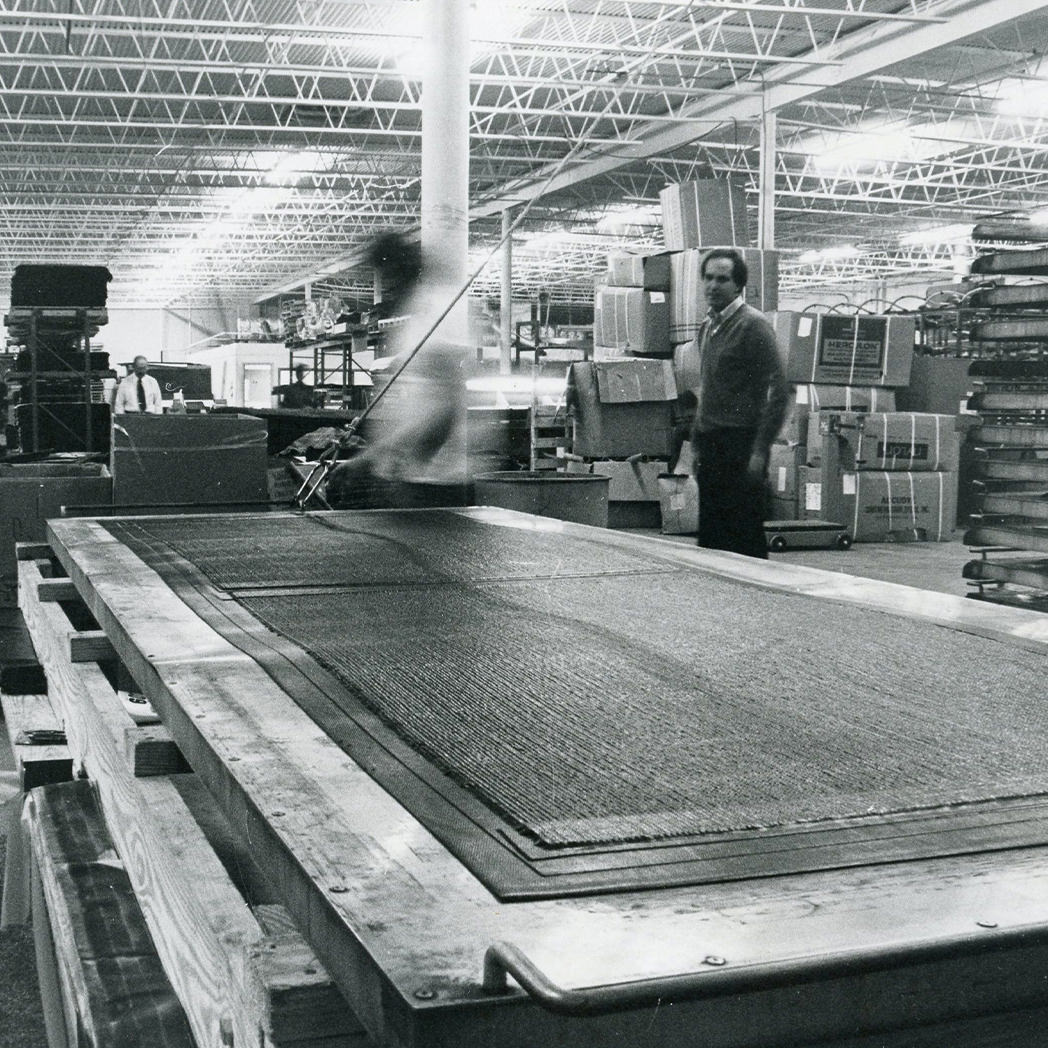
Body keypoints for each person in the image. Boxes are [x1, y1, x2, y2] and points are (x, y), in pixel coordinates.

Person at [324, 232, 467, 509]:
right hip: (407, 476)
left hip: (430, 486)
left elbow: (445, 411)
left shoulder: (437, 313)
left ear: (401, 269)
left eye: (387, 275)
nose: (385, 287)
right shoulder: (414, 317)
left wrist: (371, 459)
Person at [690, 248, 790, 559]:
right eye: (708, 278)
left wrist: (760, 450)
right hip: (711, 445)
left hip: (741, 446)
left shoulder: (753, 325)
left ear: (738, 285)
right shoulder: (708, 326)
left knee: (743, 537)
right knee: (711, 536)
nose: (713, 285)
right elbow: (708, 390)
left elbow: (780, 390)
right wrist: (695, 442)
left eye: (722, 279)